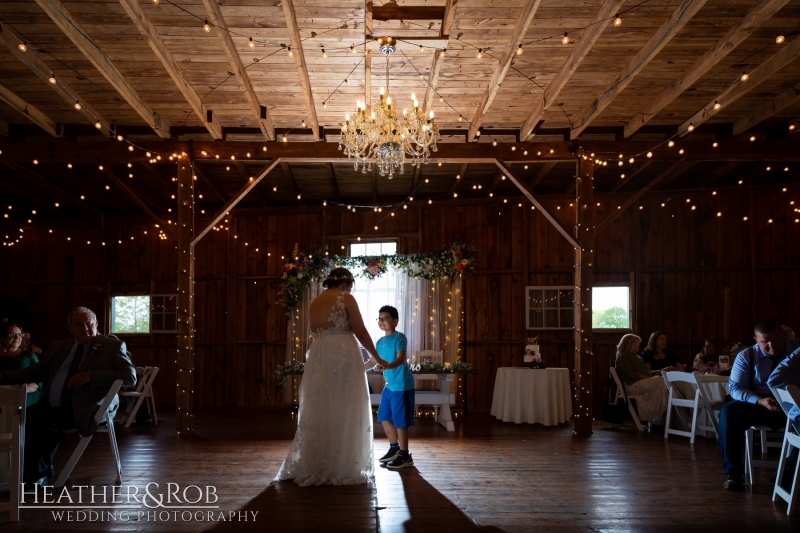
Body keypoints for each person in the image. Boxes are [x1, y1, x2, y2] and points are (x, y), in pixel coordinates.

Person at [275, 268, 388, 486]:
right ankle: (341, 465)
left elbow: (315, 333)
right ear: (347, 283)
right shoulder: (346, 298)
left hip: (319, 355)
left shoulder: (315, 302)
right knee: (346, 404)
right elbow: (361, 331)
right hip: (342, 355)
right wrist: (377, 357)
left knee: (320, 406)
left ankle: (315, 461)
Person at [0, 307, 136, 485]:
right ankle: (33, 472)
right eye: (78, 324)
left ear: (96, 324)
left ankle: (36, 475)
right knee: (26, 416)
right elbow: (36, 372)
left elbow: (130, 377)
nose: (85, 328)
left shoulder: (112, 346)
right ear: (69, 328)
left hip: (88, 407)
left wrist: (90, 376)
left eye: (88, 323)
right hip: (51, 405)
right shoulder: (59, 347)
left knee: (43, 420)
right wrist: (3, 376)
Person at [718, 319, 799, 490]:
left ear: (784, 335)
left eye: (776, 340)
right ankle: (734, 473)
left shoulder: (797, 350)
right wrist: (760, 401)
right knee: (728, 412)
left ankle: (785, 476)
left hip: (794, 405)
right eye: (765, 342)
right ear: (756, 340)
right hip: (758, 404)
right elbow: (736, 388)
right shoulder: (746, 356)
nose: (771, 345)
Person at [370, 305, 415, 470]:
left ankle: (405, 455)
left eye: (385, 318)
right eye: (379, 319)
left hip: (402, 385)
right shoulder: (380, 342)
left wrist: (386, 366)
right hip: (390, 386)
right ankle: (395, 448)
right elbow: (374, 361)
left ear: (395, 321)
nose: (382, 322)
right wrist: (359, 368)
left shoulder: (399, 337)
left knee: (400, 421)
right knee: (383, 415)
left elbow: (399, 359)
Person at [614, 333, 673, 423]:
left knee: (662, 380)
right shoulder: (623, 356)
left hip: (640, 382)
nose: (639, 345)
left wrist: (661, 371)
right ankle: (658, 416)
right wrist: (647, 377)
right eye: (637, 343)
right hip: (631, 385)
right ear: (631, 344)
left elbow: (646, 372)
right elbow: (630, 374)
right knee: (661, 381)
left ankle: (659, 416)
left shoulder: (636, 357)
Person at [0, 323, 42, 406]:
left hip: (26, 393)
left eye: (20, 335)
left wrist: (25, 389)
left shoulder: (29, 355)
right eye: (12, 334)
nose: (17, 337)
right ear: (3, 336)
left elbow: (40, 376)